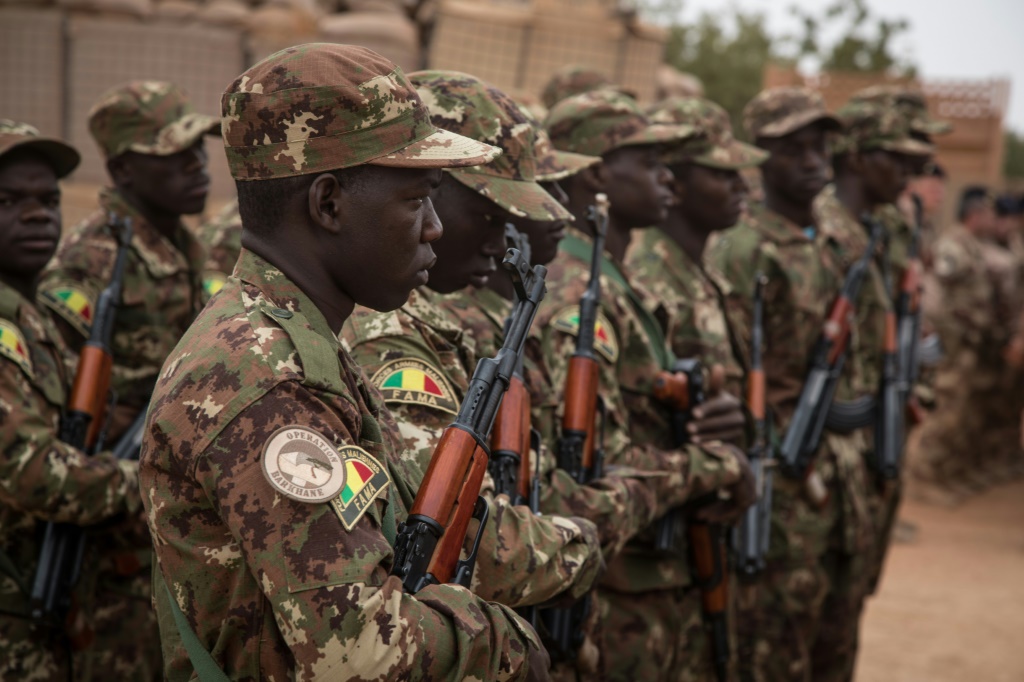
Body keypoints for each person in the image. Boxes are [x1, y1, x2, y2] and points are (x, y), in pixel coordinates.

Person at [141, 43, 554, 681]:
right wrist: (502, 640)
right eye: (418, 199)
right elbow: (358, 652)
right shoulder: (265, 380)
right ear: (328, 203)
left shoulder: (296, 342)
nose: (436, 228)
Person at [341, 69, 604, 615]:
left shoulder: (446, 321)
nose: (499, 238)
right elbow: (445, 523)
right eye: (489, 213)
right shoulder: (388, 332)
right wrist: (584, 539)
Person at [539, 89, 755, 681]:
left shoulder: (609, 281)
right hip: (614, 581)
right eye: (651, 163)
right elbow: (589, 462)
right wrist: (718, 465)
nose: (669, 179)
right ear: (601, 171)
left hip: (645, 568)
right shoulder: (579, 294)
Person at [708, 87, 869, 682]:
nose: (813, 161)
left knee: (834, 633)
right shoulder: (744, 247)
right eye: (794, 149)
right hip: (778, 476)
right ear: (757, 157)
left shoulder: (829, 240)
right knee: (775, 643)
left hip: (835, 475)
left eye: (820, 146)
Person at [0, 120, 144, 681]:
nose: (38, 215)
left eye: (47, 200)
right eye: (9, 200)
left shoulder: (30, 316)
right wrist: (140, 481)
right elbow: (32, 472)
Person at [809, 98, 933, 681]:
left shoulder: (883, 230)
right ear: (856, 157)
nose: (908, 174)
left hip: (863, 450)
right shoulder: (826, 232)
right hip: (824, 455)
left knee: (848, 607)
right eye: (895, 158)